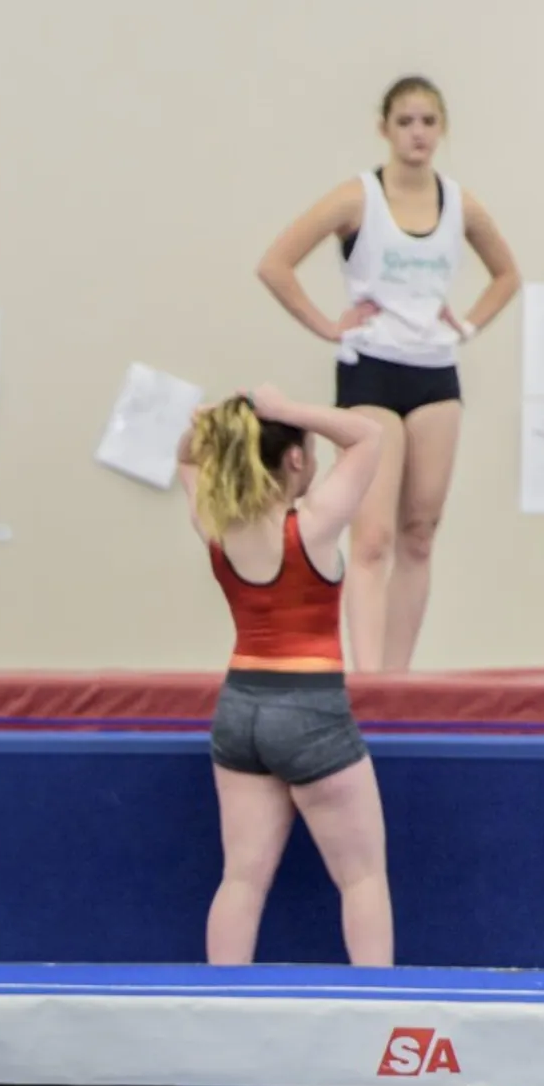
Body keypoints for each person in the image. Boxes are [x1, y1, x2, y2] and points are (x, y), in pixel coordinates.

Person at [256, 75, 520, 672]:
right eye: (406, 121)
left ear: (442, 128)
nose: (418, 133)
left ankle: (400, 678)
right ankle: (369, 677)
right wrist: (327, 324)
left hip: (435, 375)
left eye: (428, 121)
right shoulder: (358, 199)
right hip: (371, 372)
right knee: (371, 537)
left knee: (420, 531)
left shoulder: (460, 203)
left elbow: (507, 275)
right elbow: (275, 264)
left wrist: (468, 326)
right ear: (385, 129)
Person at [177, 382, 390, 967]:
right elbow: (369, 434)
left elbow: (186, 458)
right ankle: (380, 1012)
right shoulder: (313, 524)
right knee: (362, 878)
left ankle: (220, 1008)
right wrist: (284, 410)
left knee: (241, 880)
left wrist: (214, 421)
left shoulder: (217, 527)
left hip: (240, 708)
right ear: (295, 458)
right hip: (310, 709)